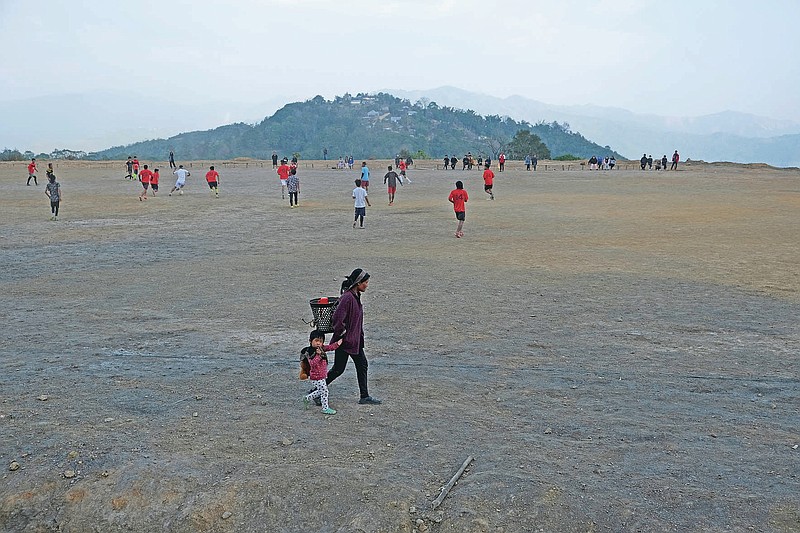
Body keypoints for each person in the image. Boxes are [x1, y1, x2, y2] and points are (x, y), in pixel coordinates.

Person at [327, 268, 381, 405]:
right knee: (341, 369)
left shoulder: (354, 296)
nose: (367, 285)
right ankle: (316, 390)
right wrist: (343, 334)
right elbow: (337, 318)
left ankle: (364, 396)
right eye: (366, 282)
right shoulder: (348, 298)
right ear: (358, 283)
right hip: (347, 342)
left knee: (350, 367)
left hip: (353, 341)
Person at [301, 330, 340, 415]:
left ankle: (307, 398)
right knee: (325, 391)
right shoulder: (310, 352)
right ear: (310, 341)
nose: (318, 343)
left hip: (322, 376)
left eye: (321, 341)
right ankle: (325, 408)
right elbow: (312, 364)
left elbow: (330, 347)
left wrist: (338, 343)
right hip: (316, 377)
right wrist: (318, 355)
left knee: (321, 391)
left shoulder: (322, 349)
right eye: (316, 341)